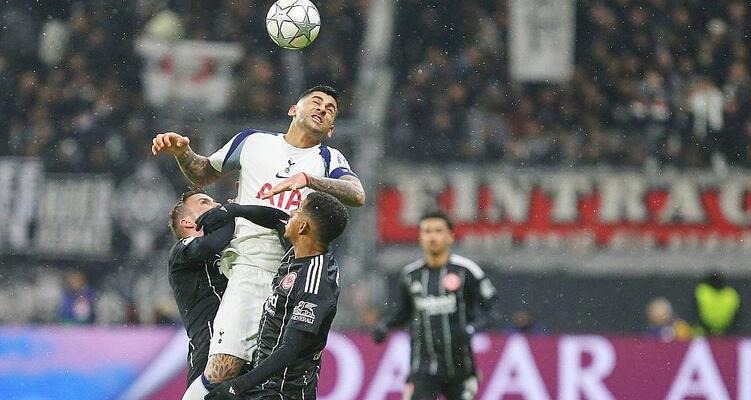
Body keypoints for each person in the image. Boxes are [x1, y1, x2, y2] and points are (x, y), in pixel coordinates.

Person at [151, 85, 365, 398]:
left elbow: (357, 194)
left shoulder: (328, 158)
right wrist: (183, 152)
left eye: (330, 109)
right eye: (316, 102)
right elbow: (203, 173)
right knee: (223, 369)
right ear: (294, 109)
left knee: (282, 378)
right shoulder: (252, 142)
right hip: (251, 267)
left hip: (298, 275)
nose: (322, 108)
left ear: (331, 129)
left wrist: (309, 180)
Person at [203, 191, 349, 399]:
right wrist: (236, 210)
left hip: (284, 392)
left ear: (303, 227)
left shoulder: (315, 282)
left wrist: (237, 386)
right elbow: (275, 218)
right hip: (265, 386)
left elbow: (291, 348)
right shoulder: (300, 249)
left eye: (297, 210)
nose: (290, 213)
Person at [167, 190, 289, 387]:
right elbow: (210, 245)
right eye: (205, 202)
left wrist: (241, 208)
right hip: (208, 349)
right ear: (187, 222)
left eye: (215, 200)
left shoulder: (231, 250)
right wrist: (232, 212)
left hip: (240, 344)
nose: (216, 204)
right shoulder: (182, 250)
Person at [372, 210, 497, 400]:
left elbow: (490, 311)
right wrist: (385, 325)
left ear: (450, 236)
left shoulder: (467, 271)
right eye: (427, 231)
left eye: (438, 231)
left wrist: (472, 328)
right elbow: (404, 313)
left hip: (461, 366)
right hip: (423, 366)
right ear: (420, 237)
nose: (433, 236)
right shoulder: (410, 275)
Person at [692, 271, 741, 336]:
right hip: (726, 335)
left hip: (703, 334)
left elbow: (694, 313)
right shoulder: (732, 294)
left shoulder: (701, 291)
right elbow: (737, 317)